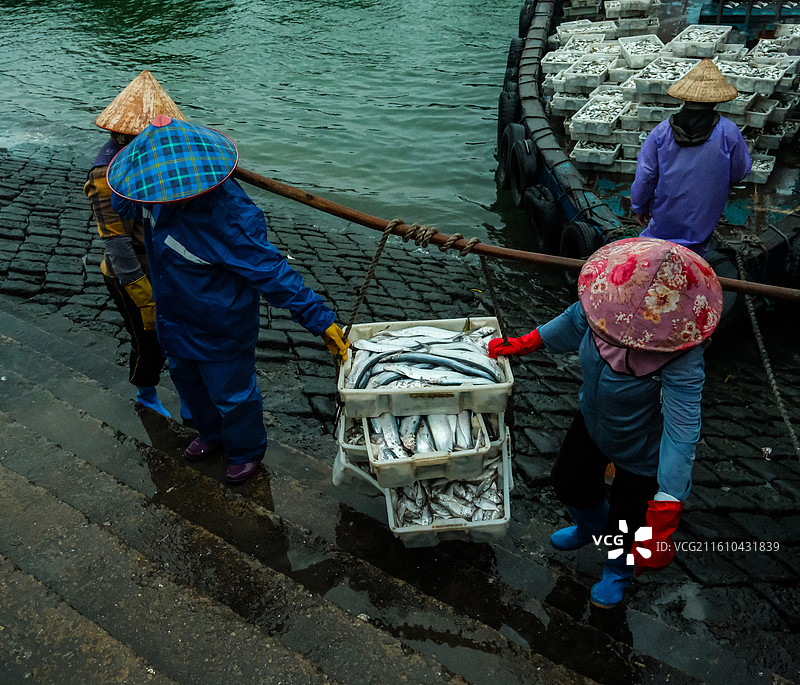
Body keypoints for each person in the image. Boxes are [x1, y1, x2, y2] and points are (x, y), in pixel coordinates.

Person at [107, 115, 349, 484]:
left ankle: (245, 450)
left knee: (233, 395)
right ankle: (210, 434)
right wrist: (128, 160)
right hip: (174, 315)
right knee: (188, 382)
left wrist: (321, 321)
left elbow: (271, 270)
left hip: (221, 322)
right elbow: (121, 205)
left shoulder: (229, 215)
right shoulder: (154, 195)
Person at [488, 237, 723, 609]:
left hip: (642, 450)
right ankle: (591, 529)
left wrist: (668, 499)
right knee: (568, 481)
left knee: (628, 521)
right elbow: (571, 320)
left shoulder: (682, 357)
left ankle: (617, 568)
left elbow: (681, 431)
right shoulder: (604, 304)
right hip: (593, 421)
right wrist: (530, 341)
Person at [84, 70, 187, 418]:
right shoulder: (104, 174)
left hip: (160, 264)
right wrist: (143, 295)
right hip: (129, 272)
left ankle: (185, 395)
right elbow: (116, 242)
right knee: (148, 340)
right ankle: (145, 393)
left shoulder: (148, 160)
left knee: (173, 335)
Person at [631, 59, 752, 257]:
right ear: (715, 101)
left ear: (684, 99)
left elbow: (645, 176)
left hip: (664, 216)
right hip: (704, 218)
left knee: (656, 256)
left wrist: (639, 207)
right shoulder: (728, 131)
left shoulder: (661, 132)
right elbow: (740, 171)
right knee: (694, 259)